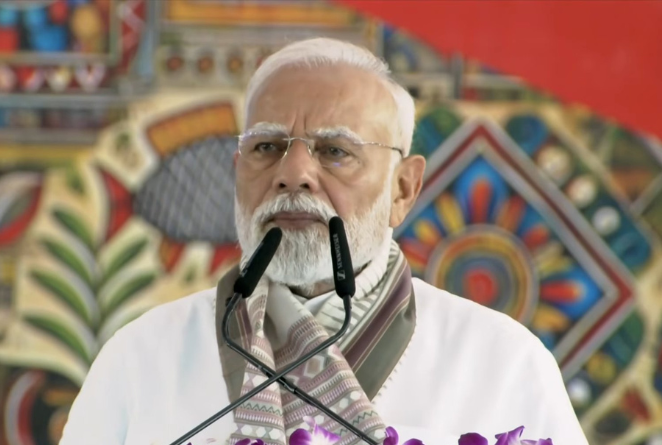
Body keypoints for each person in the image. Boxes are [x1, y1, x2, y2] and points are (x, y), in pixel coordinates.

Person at [60, 38, 588, 445]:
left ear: (404, 188)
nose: (294, 174)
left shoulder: (502, 363)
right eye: (267, 146)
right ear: (237, 171)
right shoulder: (140, 359)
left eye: (334, 151)